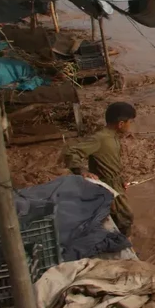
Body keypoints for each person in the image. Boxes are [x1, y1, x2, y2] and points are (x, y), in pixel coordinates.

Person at [62, 101, 136, 237]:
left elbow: (111, 163)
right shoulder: (99, 139)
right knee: (126, 217)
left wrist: (121, 181)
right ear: (121, 124)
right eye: (130, 122)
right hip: (106, 186)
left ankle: (117, 242)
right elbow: (70, 152)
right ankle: (123, 248)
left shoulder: (113, 137)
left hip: (115, 184)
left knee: (114, 217)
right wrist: (82, 171)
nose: (130, 125)